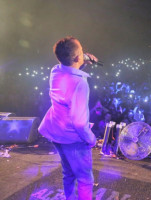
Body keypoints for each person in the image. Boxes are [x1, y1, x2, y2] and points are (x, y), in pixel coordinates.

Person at [38, 36, 97, 200]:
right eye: (82, 51)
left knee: (68, 173)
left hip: (56, 133)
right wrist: (91, 139)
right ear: (78, 57)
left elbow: (69, 67)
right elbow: (79, 122)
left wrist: (82, 61)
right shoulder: (80, 84)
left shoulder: (55, 70)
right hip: (73, 139)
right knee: (85, 179)